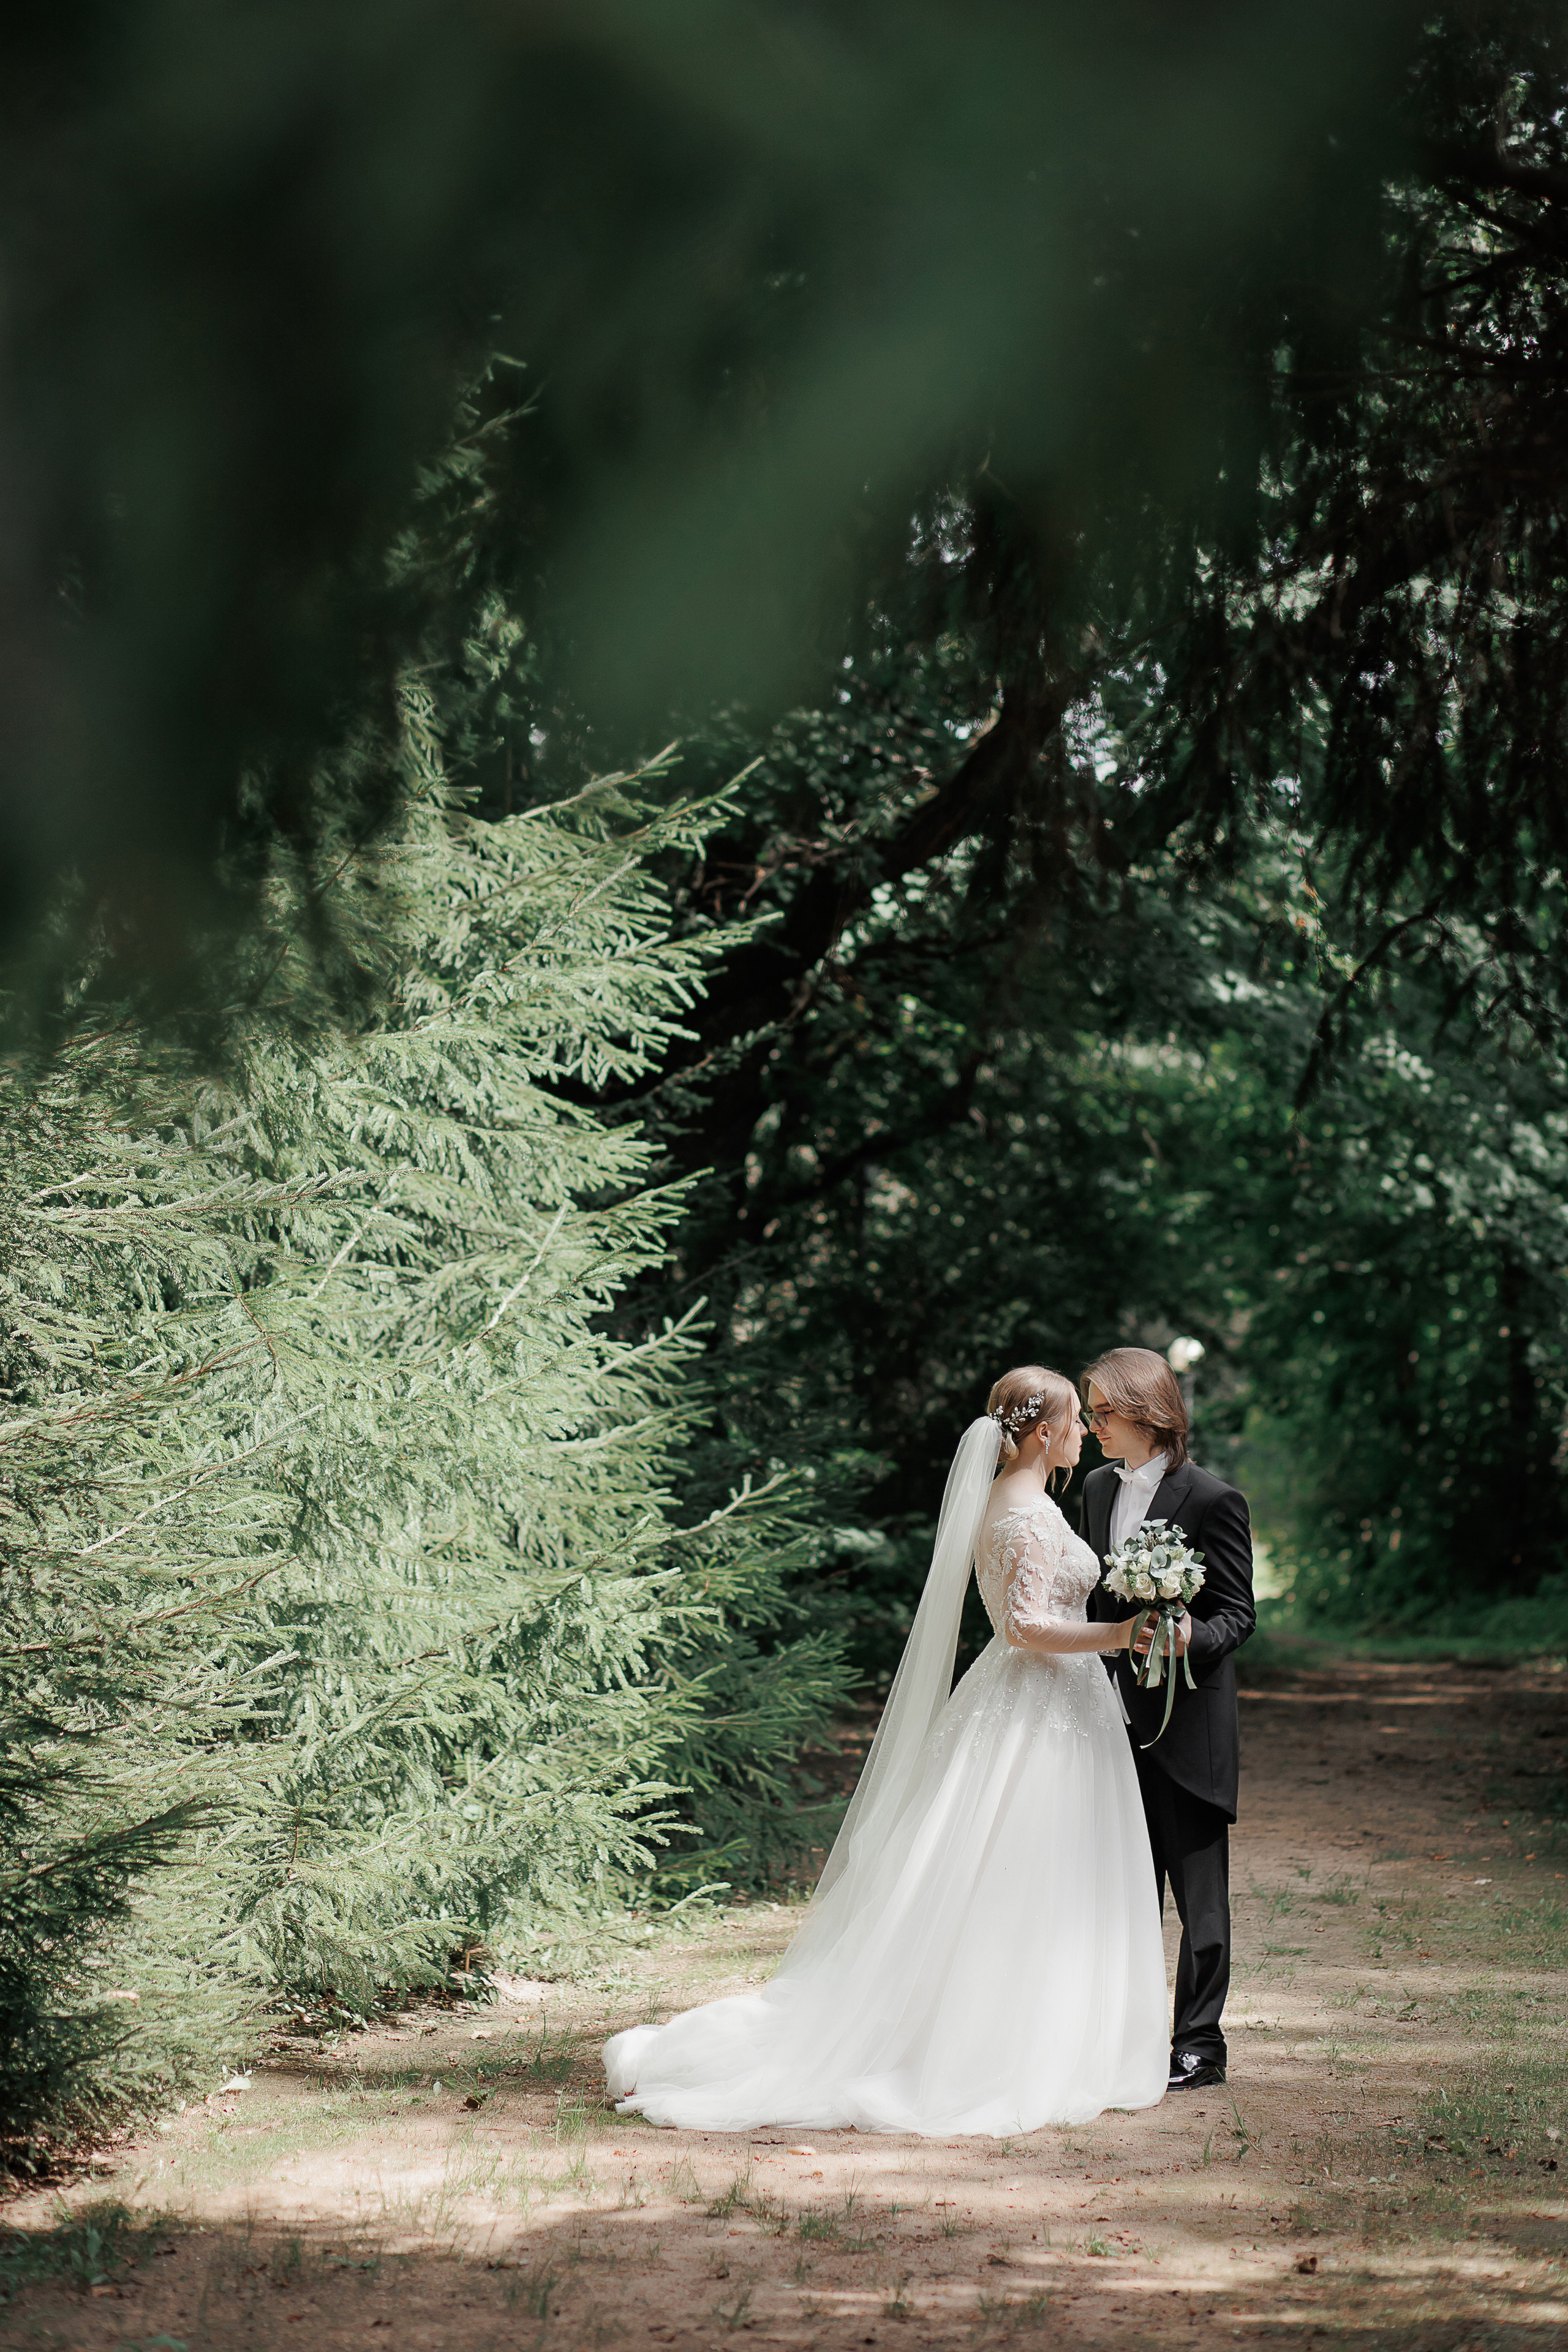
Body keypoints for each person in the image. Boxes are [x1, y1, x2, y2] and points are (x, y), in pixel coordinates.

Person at [602, 1367, 1169, 2134]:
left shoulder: (1027, 1503)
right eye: (1074, 1422)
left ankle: (1049, 2031)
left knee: (1043, 1872)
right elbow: (1025, 1629)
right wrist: (1123, 1634)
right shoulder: (1022, 1515)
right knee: (1015, 1870)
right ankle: (995, 2046)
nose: (1081, 1434)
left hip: (1056, 1706)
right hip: (1035, 1707)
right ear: (1043, 1433)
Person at [1080, 1347, 1256, 2094]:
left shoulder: (1213, 1500)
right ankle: (1123, 2036)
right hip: (1107, 1721)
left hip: (1188, 1725)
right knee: (1119, 1890)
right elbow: (1096, 1600)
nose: (1091, 1427)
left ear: (1145, 1412)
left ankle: (1199, 2046)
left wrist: (1191, 1637)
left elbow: (1238, 1615)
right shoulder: (1092, 1489)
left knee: (1198, 1902)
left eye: (1101, 1412)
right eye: (1088, 1414)